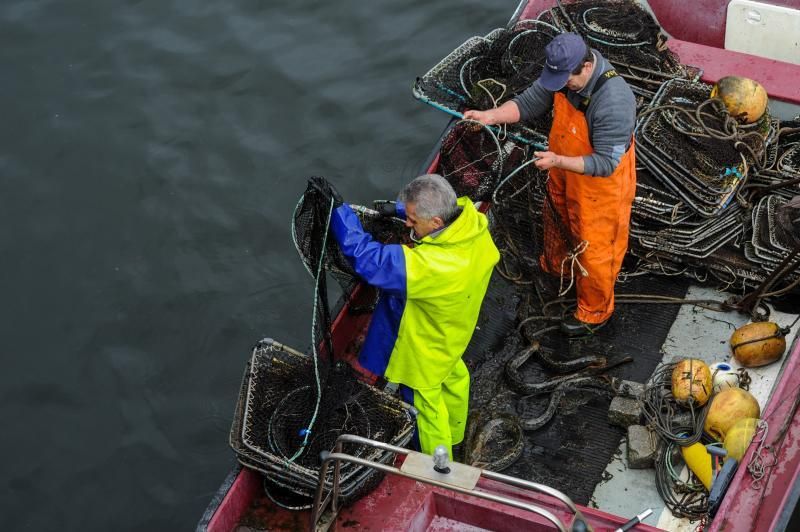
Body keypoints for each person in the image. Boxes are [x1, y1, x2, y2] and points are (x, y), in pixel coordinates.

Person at [464, 32, 637, 337]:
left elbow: (606, 164)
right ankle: (556, 268)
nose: (559, 85)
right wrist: (491, 116)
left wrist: (558, 161)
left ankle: (594, 313)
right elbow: (530, 101)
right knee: (556, 219)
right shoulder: (565, 73)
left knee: (595, 247)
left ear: (584, 67)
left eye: (564, 80)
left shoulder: (614, 101)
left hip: (600, 186)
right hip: (563, 165)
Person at [329, 174, 499, 458]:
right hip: (455, 329)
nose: (408, 226)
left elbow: (371, 261)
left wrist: (340, 215)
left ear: (435, 224)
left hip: (426, 346)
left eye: (412, 221)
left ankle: (438, 463)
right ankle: (456, 433)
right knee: (454, 377)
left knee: (425, 404)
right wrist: (398, 209)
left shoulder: (432, 266)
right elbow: (446, 202)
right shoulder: (472, 223)